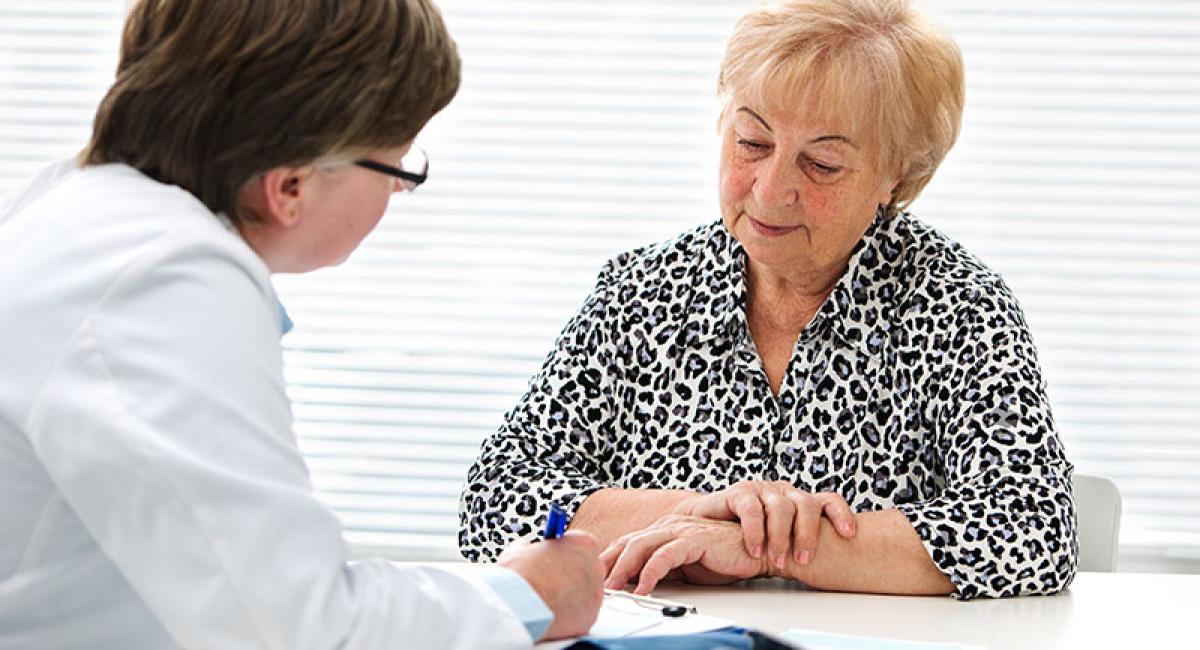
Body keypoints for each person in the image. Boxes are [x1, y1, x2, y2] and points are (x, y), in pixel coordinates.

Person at [0, 1, 603, 648]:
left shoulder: (82, 211)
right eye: (399, 164)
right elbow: (296, 629)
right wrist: (525, 596)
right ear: (289, 186)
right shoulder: (166, 277)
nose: (399, 191)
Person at [460, 0, 1077, 601]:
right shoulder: (638, 293)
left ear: (900, 175)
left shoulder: (960, 308)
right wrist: (701, 517)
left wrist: (768, 548)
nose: (772, 189)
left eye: (823, 164)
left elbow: (1033, 529)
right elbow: (495, 500)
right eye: (752, 142)